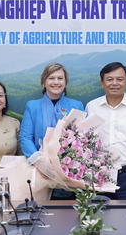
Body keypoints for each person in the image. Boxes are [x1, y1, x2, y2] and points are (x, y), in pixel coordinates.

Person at [85, 62, 126, 200]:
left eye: (119, 79)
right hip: (99, 175)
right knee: (98, 217)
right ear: (102, 83)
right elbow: (86, 143)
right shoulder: (92, 107)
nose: (114, 83)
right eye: (109, 79)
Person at [20, 63, 84, 200]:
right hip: (39, 172)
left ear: (65, 82)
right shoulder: (32, 106)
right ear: (44, 82)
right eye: (51, 78)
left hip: (70, 173)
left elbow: (82, 138)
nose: (56, 82)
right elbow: (25, 137)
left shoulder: (76, 105)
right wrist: (39, 161)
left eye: (60, 78)